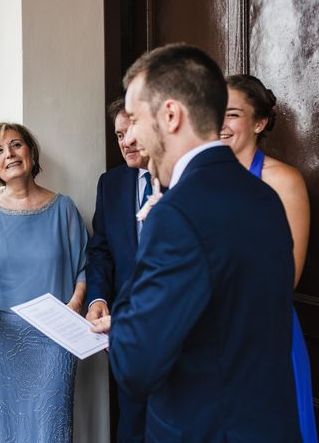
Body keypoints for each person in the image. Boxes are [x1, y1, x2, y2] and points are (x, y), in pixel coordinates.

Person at [93, 43, 301, 441]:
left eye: (135, 119)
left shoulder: (172, 214)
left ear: (170, 115)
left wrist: (123, 321)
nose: (130, 135)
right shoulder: (264, 196)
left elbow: (135, 364)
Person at [0, 123, 88, 443]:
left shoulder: (64, 209)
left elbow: (85, 267)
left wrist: (76, 304)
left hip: (53, 338)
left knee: (49, 429)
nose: (9, 154)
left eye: (16, 145)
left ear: (30, 151)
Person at [222, 74, 316, 442]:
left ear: (259, 123)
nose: (219, 124)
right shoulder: (197, 180)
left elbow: (287, 275)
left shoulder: (284, 181)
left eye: (231, 114)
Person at [86, 97, 149, 442]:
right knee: (131, 426)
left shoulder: (183, 181)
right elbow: (102, 251)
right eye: (119, 135)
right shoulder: (111, 184)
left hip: (178, 334)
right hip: (122, 332)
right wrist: (98, 298)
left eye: (131, 131)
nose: (125, 142)